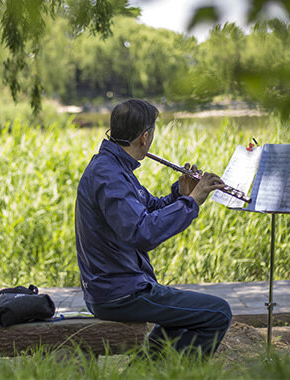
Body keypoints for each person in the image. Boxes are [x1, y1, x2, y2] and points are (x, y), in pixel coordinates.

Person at [75, 98, 232, 356]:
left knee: (182, 319)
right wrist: (192, 202)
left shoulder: (115, 168)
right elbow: (143, 232)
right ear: (145, 137)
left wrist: (181, 195)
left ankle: (144, 372)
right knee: (218, 313)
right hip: (119, 293)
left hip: (121, 287)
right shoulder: (109, 175)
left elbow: (147, 209)